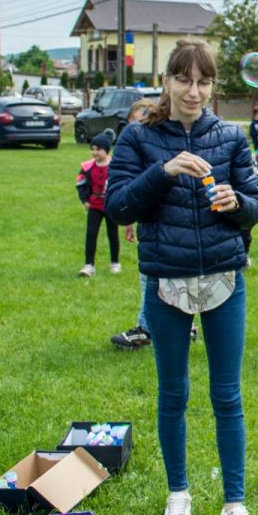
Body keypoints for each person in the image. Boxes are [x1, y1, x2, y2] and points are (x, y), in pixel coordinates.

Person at [105, 38, 258, 515]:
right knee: (172, 394)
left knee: (227, 397)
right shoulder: (138, 137)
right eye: (184, 80)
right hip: (165, 283)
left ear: (213, 86)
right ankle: (179, 496)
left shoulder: (231, 137)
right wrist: (164, 171)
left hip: (224, 279)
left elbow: (256, 206)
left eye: (204, 82)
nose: (194, 91)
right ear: (167, 81)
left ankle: (234, 507)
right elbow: (118, 207)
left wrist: (237, 203)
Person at [110, 98, 166, 350]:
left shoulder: (159, 150)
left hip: (164, 232)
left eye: (141, 123)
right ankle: (183, 327)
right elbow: (129, 196)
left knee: (152, 280)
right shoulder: (136, 151)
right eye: (132, 124)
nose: (136, 130)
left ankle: (145, 329)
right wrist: (131, 219)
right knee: (156, 280)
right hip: (150, 226)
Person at [77, 129, 120, 277]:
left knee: (112, 234)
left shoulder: (115, 166)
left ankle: (115, 263)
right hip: (94, 205)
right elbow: (81, 183)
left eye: (98, 149)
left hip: (110, 205)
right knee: (91, 233)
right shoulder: (87, 167)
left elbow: (121, 182)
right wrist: (85, 200)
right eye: (93, 149)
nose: (95, 152)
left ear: (107, 151)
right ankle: (89, 265)